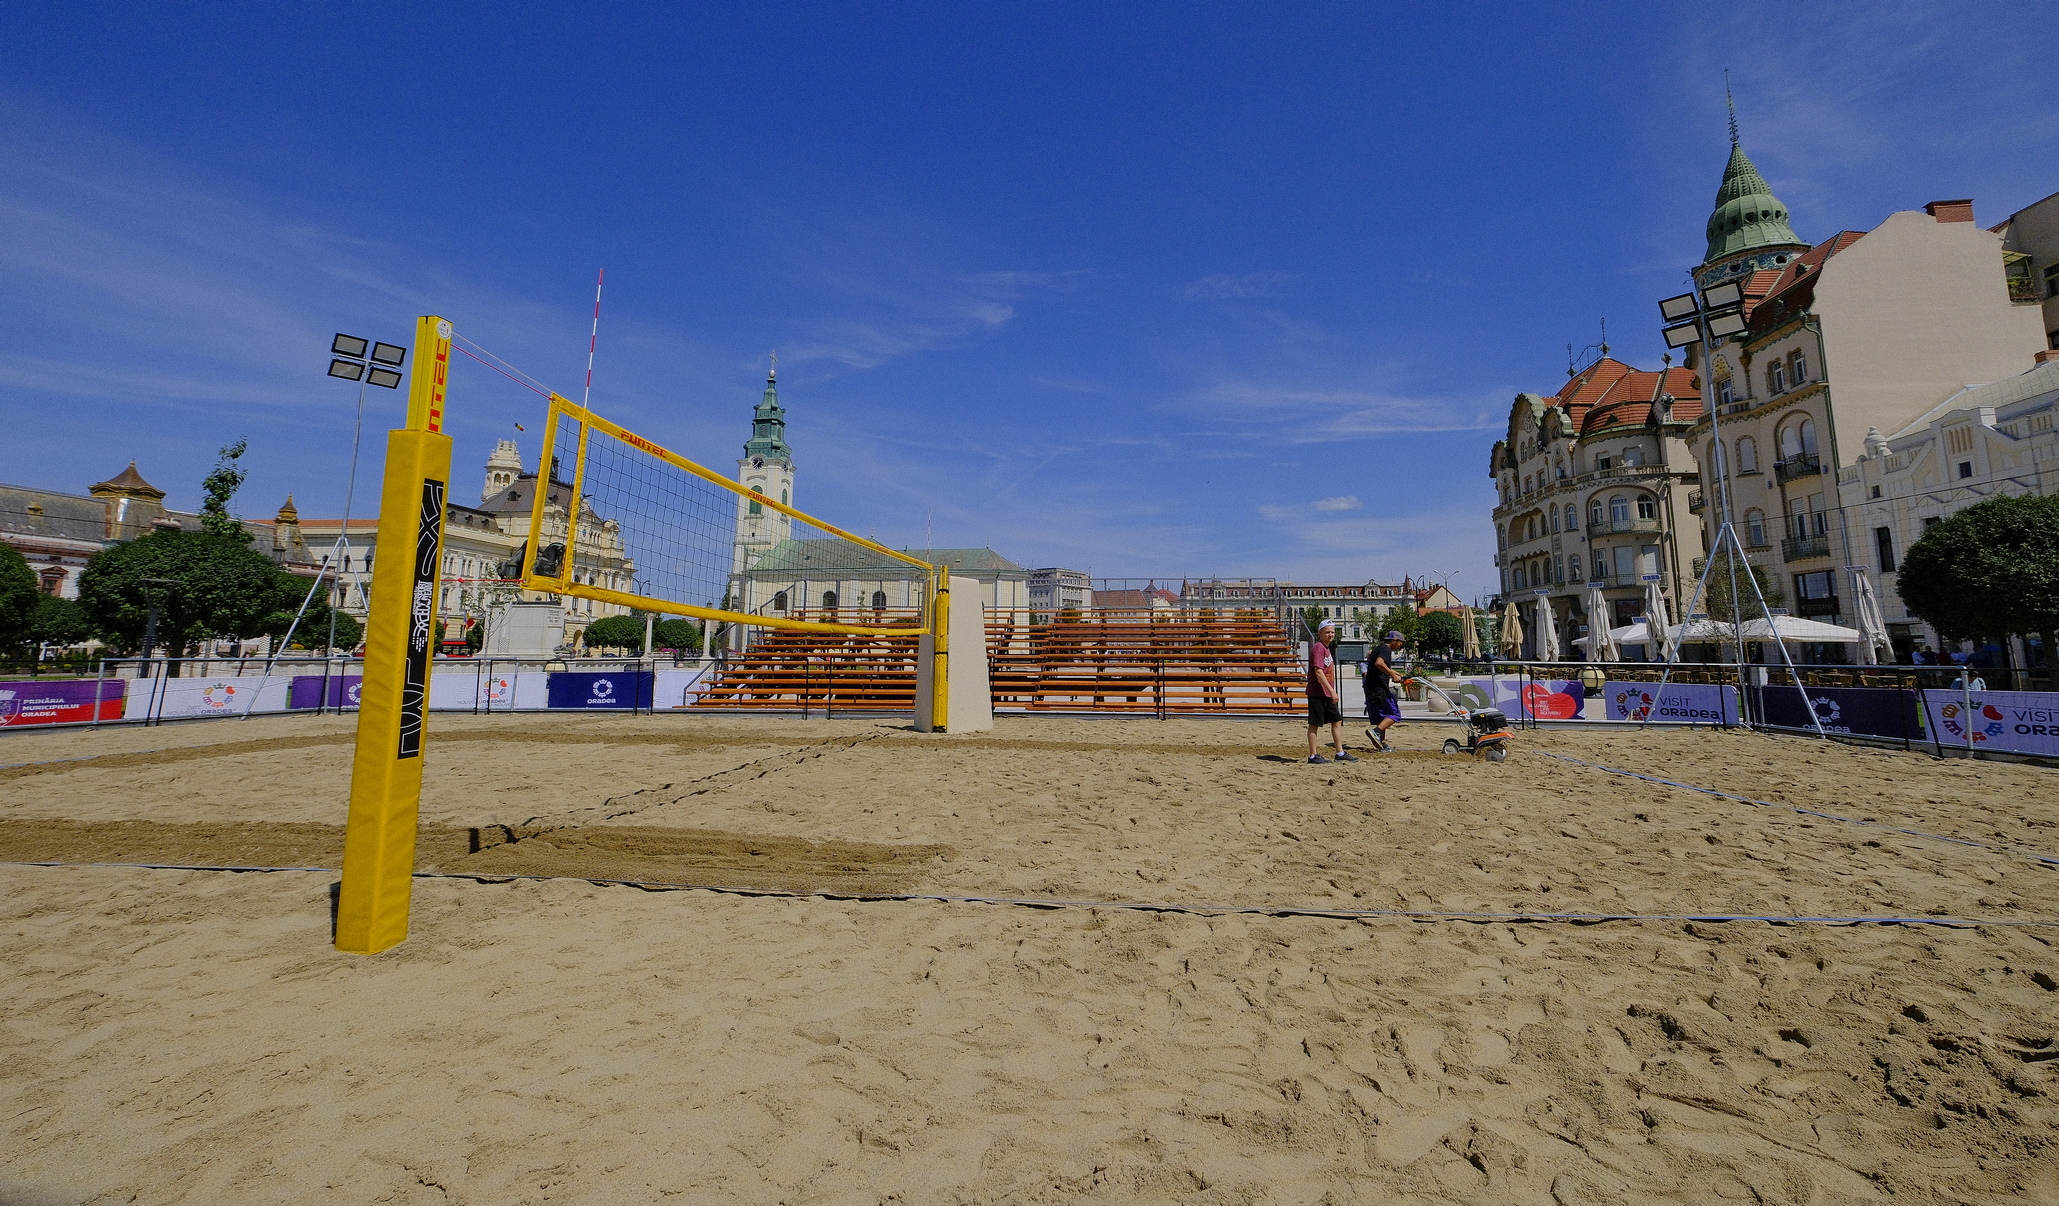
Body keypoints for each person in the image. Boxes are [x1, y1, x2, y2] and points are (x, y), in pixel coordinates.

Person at [1305, 620, 1357, 763]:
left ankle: (1339, 753)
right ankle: (1313, 755)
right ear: (1320, 633)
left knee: (1336, 720)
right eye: (1327, 632)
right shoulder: (1318, 648)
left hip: (1325, 693)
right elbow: (1318, 672)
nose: (1330, 634)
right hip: (1318, 693)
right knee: (1314, 724)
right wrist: (1332, 691)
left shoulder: (1326, 648)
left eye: (1332, 632)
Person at [1365, 630, 1406, 751]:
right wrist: (1392, 675)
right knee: (1394, 714)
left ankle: (1381, 744)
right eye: (1400, 643)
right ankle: (1376, 732)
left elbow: (1382, 667)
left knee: (1382, 719)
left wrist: (1397, 675)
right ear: (1394, 641)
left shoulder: (1378, 648)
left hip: (1370, 687)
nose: (1400, 646)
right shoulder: (1386, 649)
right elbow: (1379, 663)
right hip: (1379, 688)